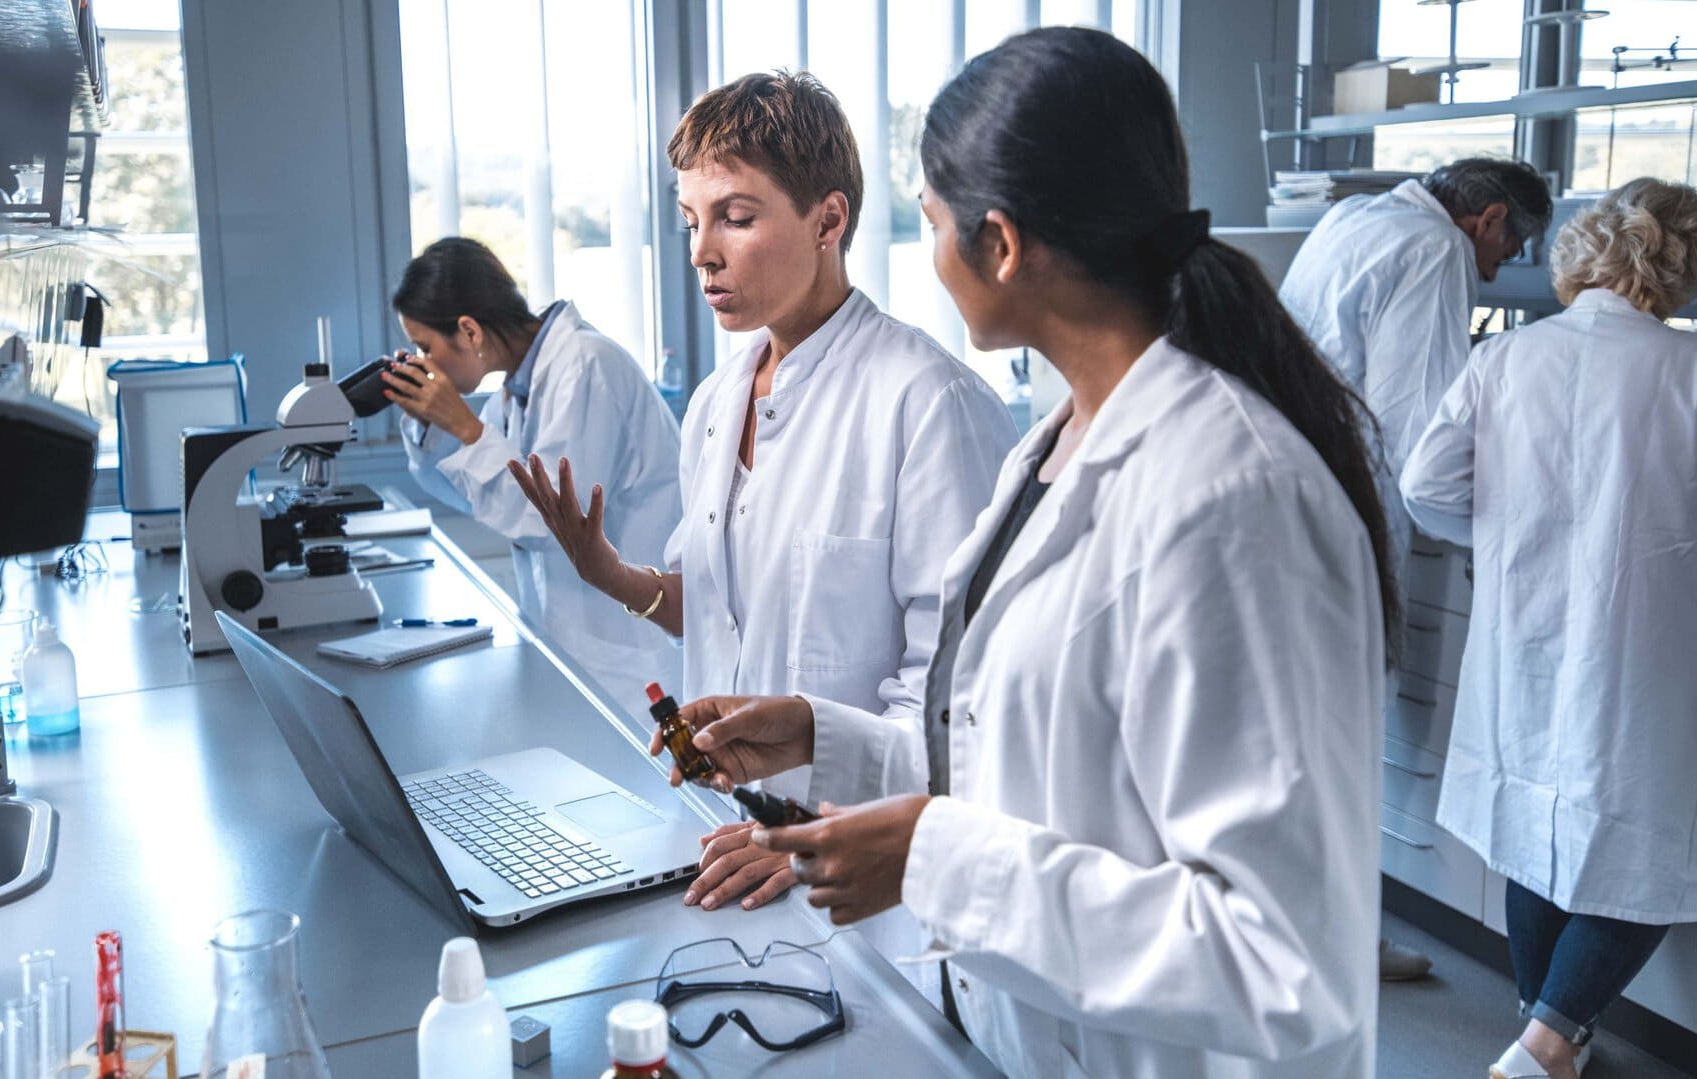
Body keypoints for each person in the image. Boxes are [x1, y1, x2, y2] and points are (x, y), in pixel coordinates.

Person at [650, 28, 1399, 1078]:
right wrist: (828, 737)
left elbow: (1286, 964)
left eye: (930, 216)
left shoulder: (1233, 496)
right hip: (1009, 1026)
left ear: (998, 243)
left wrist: (936, 860)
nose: (926, 245)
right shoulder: (1055, 450)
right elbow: (1017, 756)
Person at [508, 72, 1014, 944]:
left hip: (857, 885)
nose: (703, 250)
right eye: (690, 220)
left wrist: (814, 832)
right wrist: (614, 576)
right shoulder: (715, 400)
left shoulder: (927, 403)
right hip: (721, 845)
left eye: (736, 217)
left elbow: (956, 700)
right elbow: (715, 603)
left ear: (829, 220)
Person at [1400, 178, 1697, 1079]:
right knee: (1650, 832)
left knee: (1532, 810)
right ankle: (1549, 1041)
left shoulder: (1508, 359)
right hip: (1644, 638)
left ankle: (1545, 1023)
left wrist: (1497, 535)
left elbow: (1426, 487)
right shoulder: (1685, 371)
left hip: (1522, 624)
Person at [1280, 156, 1552, 982]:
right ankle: (1341, 949)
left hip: (1291, 495)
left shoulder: (1355, 217)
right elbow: (1416, 430)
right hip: (1347, 515)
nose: (1504, 267)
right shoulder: (1436, 251)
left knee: (1296, 736)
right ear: (1490, 217)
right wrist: (1484, 534)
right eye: (1514, 245)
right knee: (1340, 740)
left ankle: (1299, 937)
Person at [384, 237, 682, 718]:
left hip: (628, 651)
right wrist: (433, 423)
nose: (424, 362)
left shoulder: (586, 366)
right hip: (576, 644)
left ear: (468, 331)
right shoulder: (517, 389)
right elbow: (472, 495)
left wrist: (465, 425)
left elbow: (552, 522)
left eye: (426, 346)